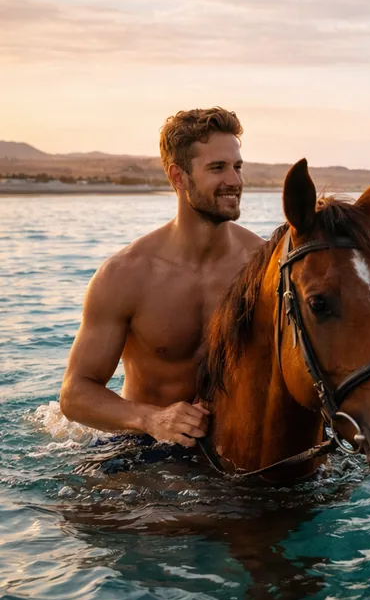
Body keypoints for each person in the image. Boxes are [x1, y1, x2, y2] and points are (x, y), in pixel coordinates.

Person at [59, 107, 264, 447]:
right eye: (217, 168)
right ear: (178, 177)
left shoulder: (261, 265)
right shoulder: (127, 275)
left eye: (237, 166)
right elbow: (75, 393)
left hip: (238, 445)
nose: (235, 181)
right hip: (146, 444)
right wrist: (152, 419)